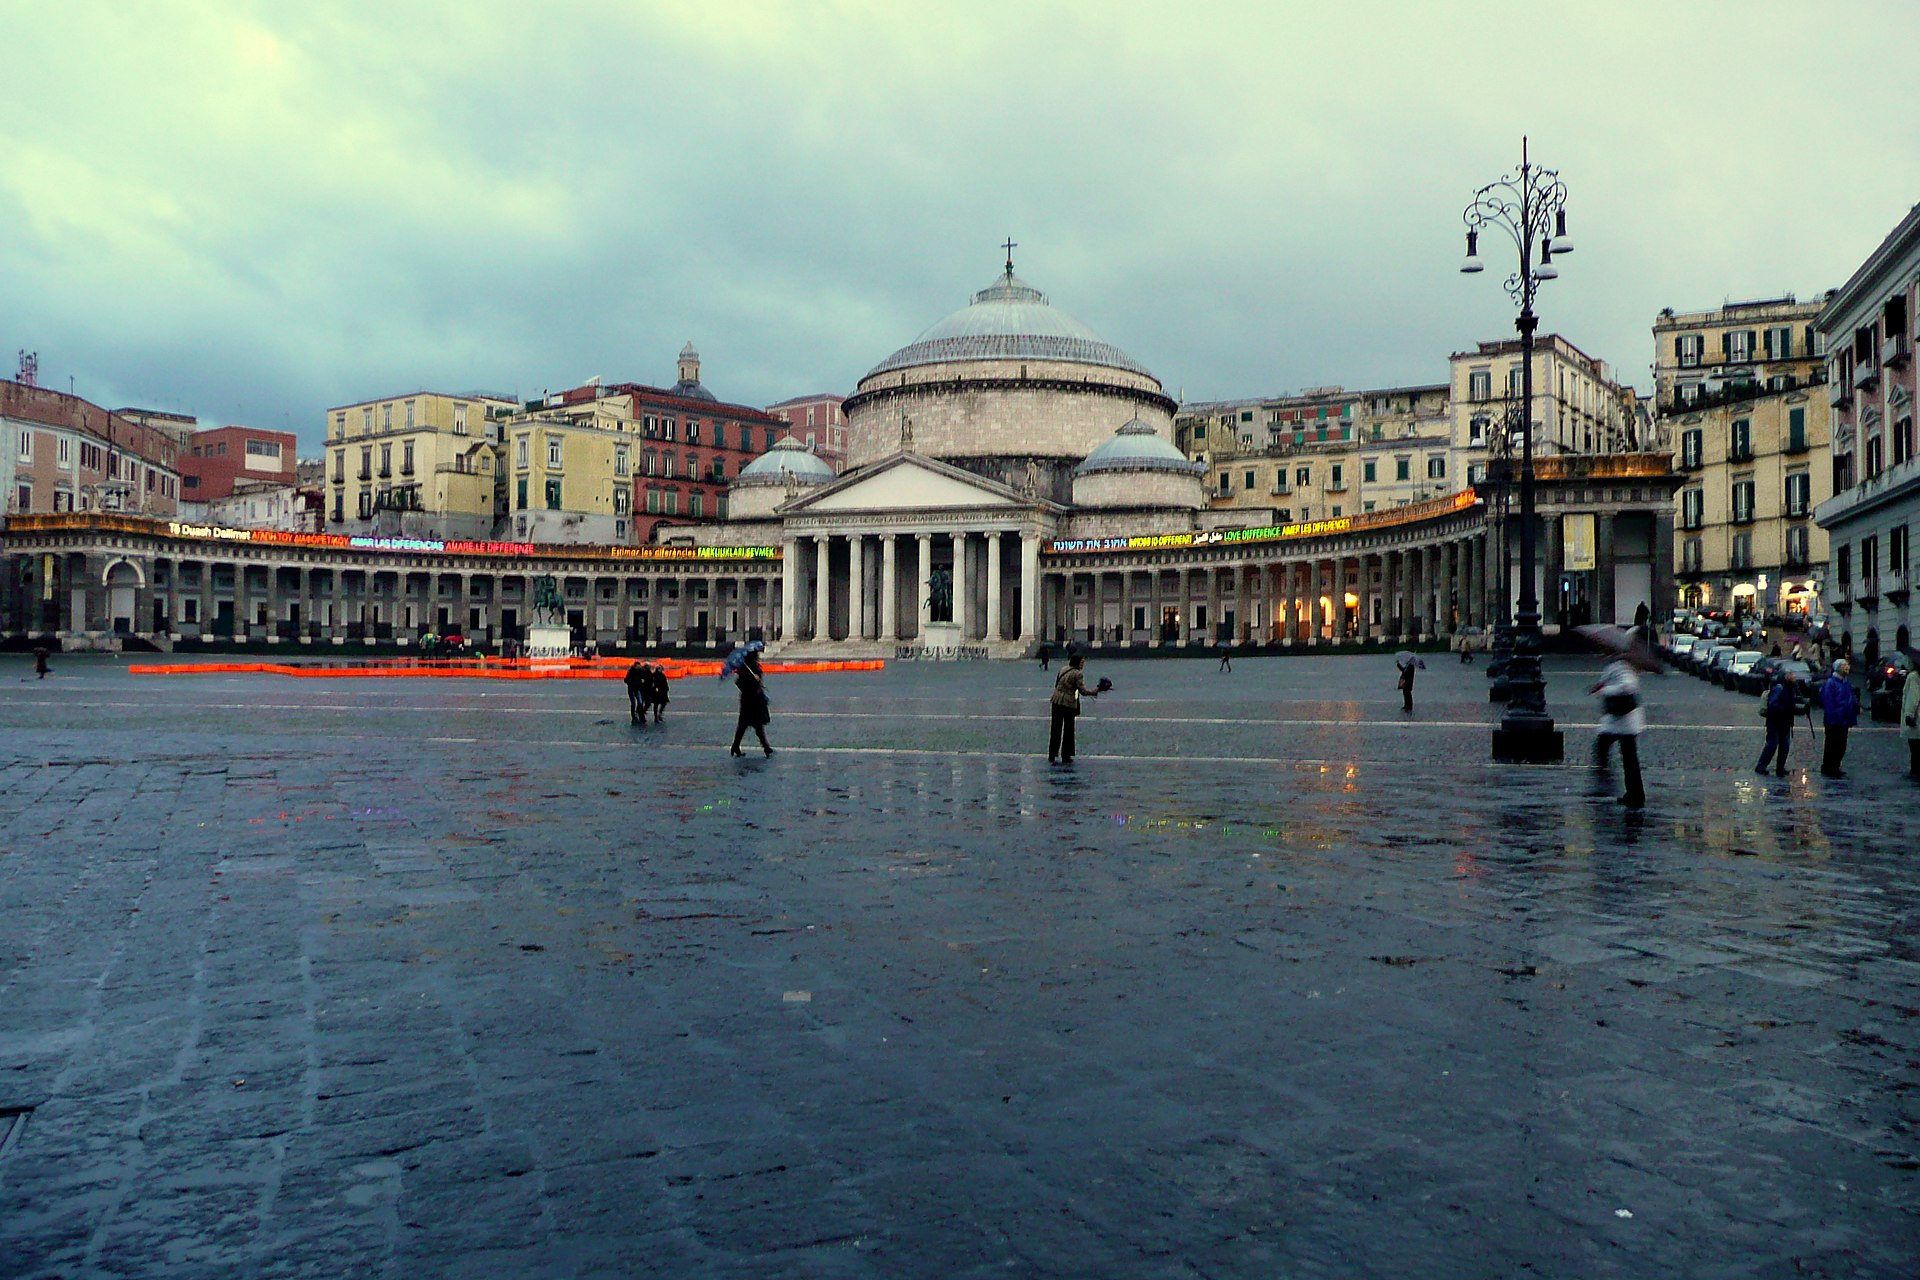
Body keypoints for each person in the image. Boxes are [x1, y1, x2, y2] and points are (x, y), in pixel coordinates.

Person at [1589, 655, 1646, 809]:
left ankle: (1628, 792)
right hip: (1621, 721)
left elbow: (1627, 686)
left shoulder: (1622, 667)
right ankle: (1633, 794)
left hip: (1622, 720)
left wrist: (1605, 690)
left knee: (1618, 754)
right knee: (1627, 758)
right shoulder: (1620, 666)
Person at [1048, 654, 1099, 765]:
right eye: (1082, 662)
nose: (1083, 664)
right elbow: (1083, 691)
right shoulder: (1077, 674)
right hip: (1068, 703)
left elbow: (1056, 684)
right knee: (1068, 730)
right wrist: (1095, 691)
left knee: (1055, 729)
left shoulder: (1063, 669)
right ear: (1077, 662)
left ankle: (1052, 754)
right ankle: (1066, 755)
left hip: (1056, 700)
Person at [1818, 659, 1858, 778]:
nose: (1847, 667)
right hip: (1834, 721)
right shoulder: (1831, 683)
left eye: (1847, 664)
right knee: (1832, 745)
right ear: (1838, 668)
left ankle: (1835, 766)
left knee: (1841, 745)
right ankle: (1829, 767)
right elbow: (1828, 703)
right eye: (1844, 665)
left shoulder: (1845, 683)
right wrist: (1835, 717)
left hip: (1844, 720)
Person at [730, 652, 772, 756]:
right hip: (750, 700)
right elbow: (740, 683)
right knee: (751, 724)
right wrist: (754, 681)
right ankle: (766, 747)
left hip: (755, 699)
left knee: (750, 725)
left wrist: (758, 680)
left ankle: (736, 746)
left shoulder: (753, 665)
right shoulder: (746, 667)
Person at [1756, 670, 1797, 777]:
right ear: (1786, 676)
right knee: (1772, 744)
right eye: (1792, 674)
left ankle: (1780, 768)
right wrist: (1786, 709)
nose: (1794, 676)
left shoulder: (1790, 688)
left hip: (1785, 721)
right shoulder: (1780, 688)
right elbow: (1773, 705)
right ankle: (1761, 766)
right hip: (1775, 721)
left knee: (1784, 745)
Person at [1902, 662, 1920, 781]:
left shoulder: (1914, 676)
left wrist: (1909, 714)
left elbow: (1913, 697)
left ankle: (1916, 770)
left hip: (1917, 717)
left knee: (1915, 745)